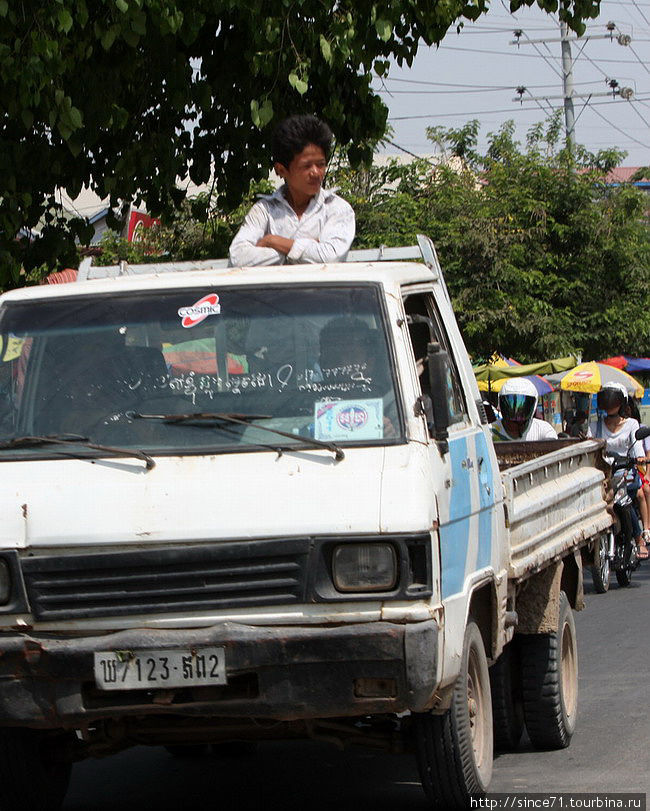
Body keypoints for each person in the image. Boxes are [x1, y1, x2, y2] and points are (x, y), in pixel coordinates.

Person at [229, 115, 355, 267]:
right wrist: (307, 248)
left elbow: (330, 257)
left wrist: (272, 241)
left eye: (320, 164)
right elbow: (238, 257)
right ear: (281, 170)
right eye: (306, 166)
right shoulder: (264, 211)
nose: (316, 172)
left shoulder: (337, 209)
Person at [589, 382, 649, 559]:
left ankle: (639, 539)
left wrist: (639, 458)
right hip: (603, 475)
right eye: (606, 398)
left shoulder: (631, 424)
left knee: (624, 500)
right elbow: (589, 446)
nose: (609, 402)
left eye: (613, 398)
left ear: (621, 402)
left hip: (626, 472)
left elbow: (637, 447)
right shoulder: (595, 426)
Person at [491, 378, 557, 442]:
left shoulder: (543, 429)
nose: (516, 414)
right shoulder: (491, 431)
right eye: (511, 403)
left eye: (521, 405)